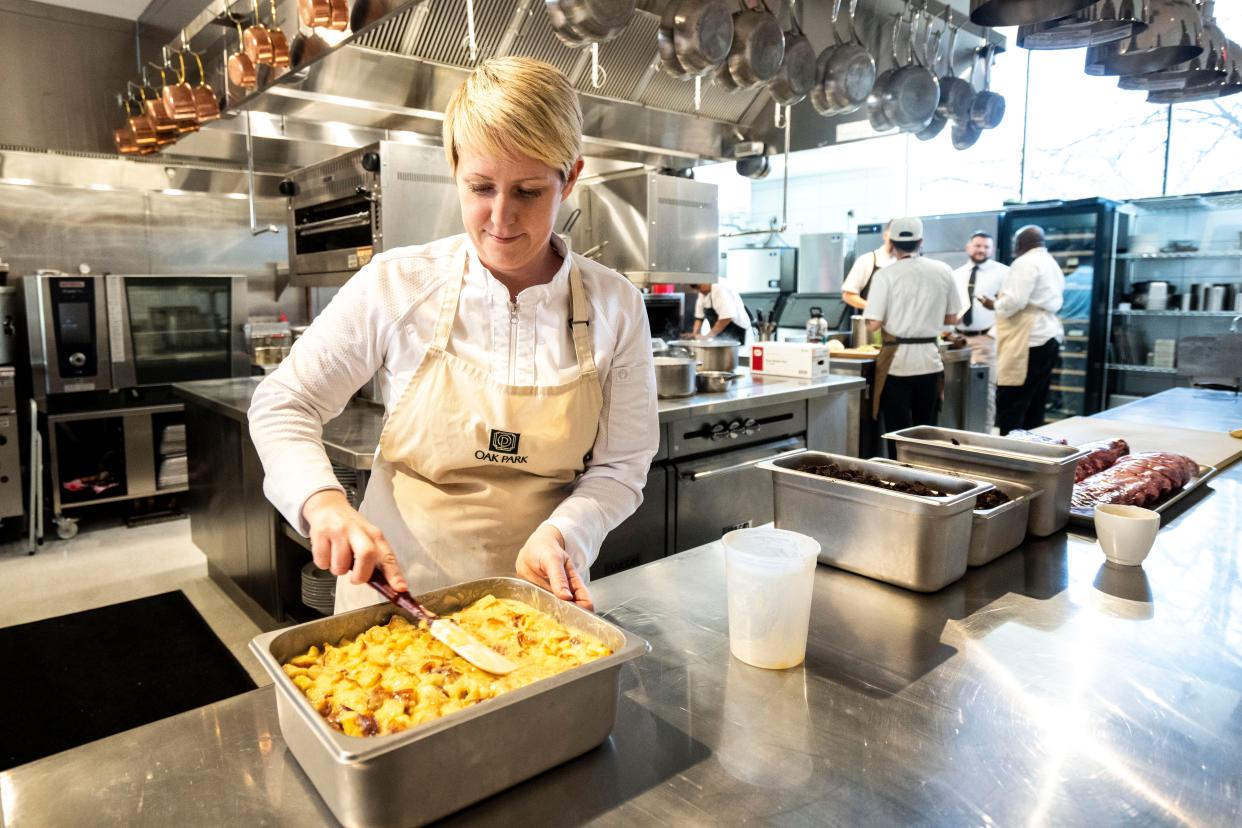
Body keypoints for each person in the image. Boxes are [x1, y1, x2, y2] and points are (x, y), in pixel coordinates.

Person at [249, 57, 659, 614]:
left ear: (572, 177)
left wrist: (566, 532)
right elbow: (284, 401)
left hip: (537, 604)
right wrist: (323, 502)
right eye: (481, 186)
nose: (501, 217)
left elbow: (621, 467)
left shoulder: (617, 305)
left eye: (530, 191)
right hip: (396, 594)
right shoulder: (399, 282)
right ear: (455, 170)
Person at [863, 217, 961, 451]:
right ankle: (925, 479)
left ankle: (900, 482)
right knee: (925, 433)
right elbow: (952, 318)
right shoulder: (943, 270)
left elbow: (873, 324)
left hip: (897, 366)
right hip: (930, 362)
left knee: (898, 433)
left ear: (891, 244)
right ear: (921, 242)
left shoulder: (885, 275)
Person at [980, 225, 1064, 435]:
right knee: (1036, 400)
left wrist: (995, 305)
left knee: (1013, 399)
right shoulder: (1050, 262)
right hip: (1048, 334)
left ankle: (1011, 452)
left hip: (1029, 337)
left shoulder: (1025, 262)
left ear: (1020, 244)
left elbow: (1015, 301)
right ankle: (1032, 448)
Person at [951, 231, 1008, 433]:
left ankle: (984, 434)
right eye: (978, 246)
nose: (981, 250)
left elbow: (1008, 307)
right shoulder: (956, 274)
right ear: (968, 247)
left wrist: (993, 335)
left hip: (985, 338)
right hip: (957, 339)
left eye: (986, 247)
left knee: (985, 390)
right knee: (955, 387)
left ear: (992, 249)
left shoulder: (1003, 273)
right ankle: (959, 432)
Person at [841, 220, 895, 312]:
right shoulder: (868, 260)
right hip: (872, 324)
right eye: (893, 236)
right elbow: (848, 295)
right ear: (885, 235)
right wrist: (874, 308)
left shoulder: (909, 263)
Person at [691, 279, 753, 344]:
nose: (699, 291)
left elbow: (726, 317)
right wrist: (694, 335)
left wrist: (707, 336)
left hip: (740, 335)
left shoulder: (719, 287)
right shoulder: (702, 292)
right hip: (722, 337)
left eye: (699, 287)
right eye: (697, 289)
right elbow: (699, 317)